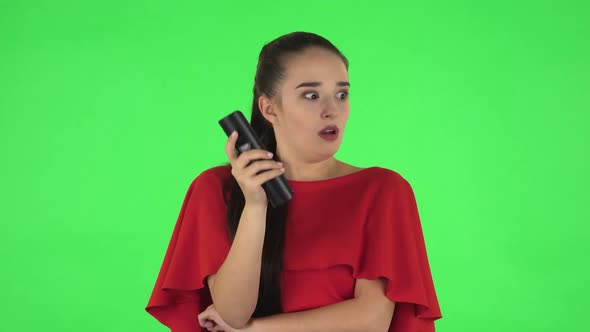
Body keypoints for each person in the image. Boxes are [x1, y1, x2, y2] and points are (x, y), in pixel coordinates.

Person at [145, 31, 442, 332]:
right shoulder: (214, 190)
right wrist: (255, 206)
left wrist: (254, 330)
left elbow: (372, 320)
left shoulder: (384, 190)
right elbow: (232, 312)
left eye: (342, 94)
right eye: (311, 95)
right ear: (269, 108)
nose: (332, 110)